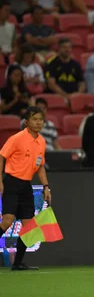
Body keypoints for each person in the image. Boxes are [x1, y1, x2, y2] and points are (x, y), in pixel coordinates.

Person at [0, 106, 51, 271]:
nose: (38, 123)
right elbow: (1, 157)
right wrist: (0, 181)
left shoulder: (41, 141)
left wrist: (46, 187)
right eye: (34, 119)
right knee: (7, 221)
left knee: (29, 227)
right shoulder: (17, 138)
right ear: (26, 122)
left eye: (40, 119)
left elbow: (41, 166)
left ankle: (18, 264)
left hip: (26, 185)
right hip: (12, 182)